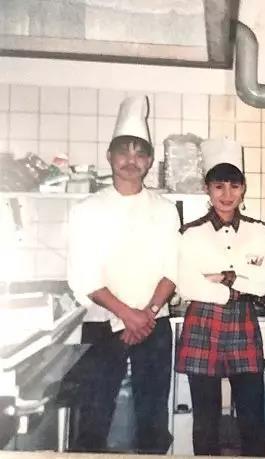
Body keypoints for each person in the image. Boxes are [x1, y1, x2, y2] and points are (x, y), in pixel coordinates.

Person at [67, 95, 178, 453]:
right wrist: (128, 315)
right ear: (109, 156)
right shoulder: (87, 209)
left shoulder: (164, 209)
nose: (131, 160)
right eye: (123, 151)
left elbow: (172, 268)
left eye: (139, 153)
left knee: (153, 421)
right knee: (93, 418)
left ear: (149, 161)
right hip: (102, 324)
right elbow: (83, 275)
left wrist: (147, 313)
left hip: (153, 323)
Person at [175, 138, 265, 457]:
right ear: (207, 189)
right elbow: (186, 285)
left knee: (251, 415)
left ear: (243, 189)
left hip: (242, 322)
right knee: (206, 419)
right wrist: (235, 286)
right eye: (219, 186)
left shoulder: (259, 232)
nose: (227, 194)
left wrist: (224, 276)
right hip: (202, 322)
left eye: (234, 186)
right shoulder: (191, 233)